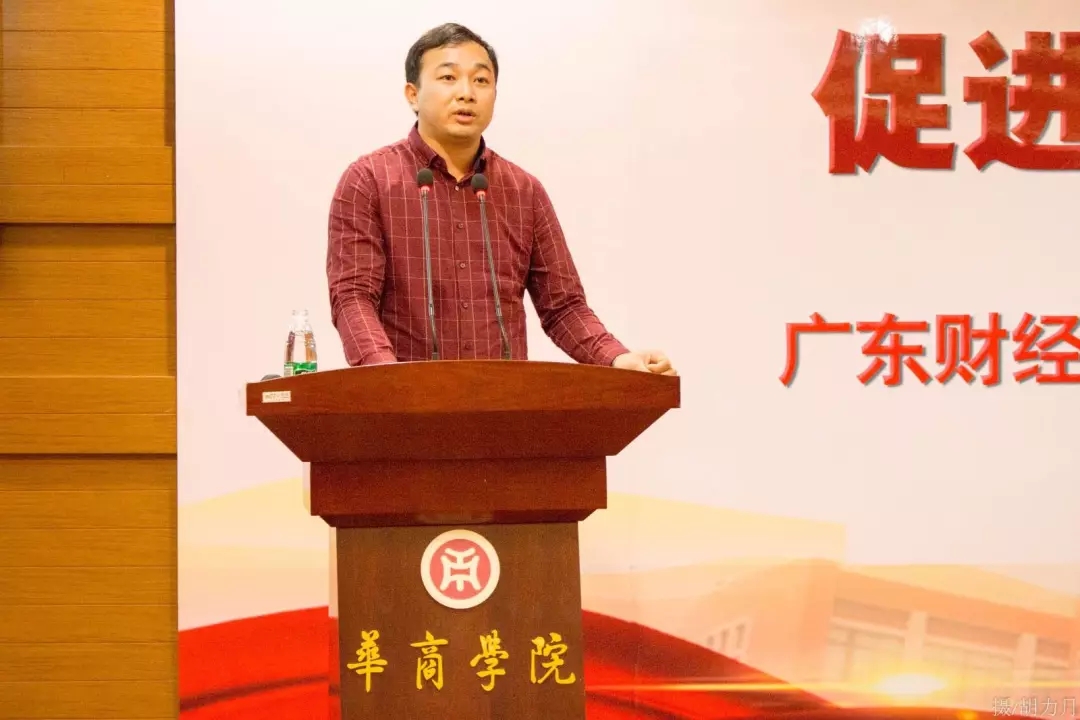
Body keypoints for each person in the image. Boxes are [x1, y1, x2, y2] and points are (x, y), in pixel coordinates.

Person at [326, 22, 675, 376]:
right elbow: (353, 297)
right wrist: (388, 378)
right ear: (413, 94)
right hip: (407, 400)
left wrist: (618, 358)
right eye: (448, 78)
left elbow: (563, 307)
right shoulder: (369, 180)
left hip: (505, 402)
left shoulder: (524, 191)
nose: (466, 93)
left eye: (481, 80)